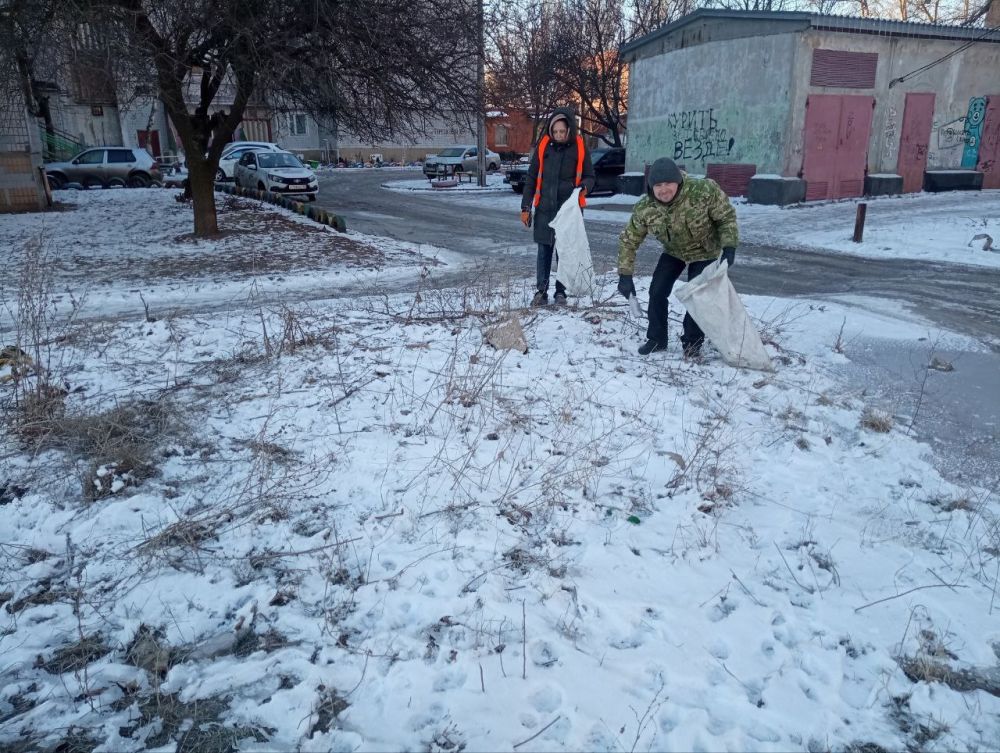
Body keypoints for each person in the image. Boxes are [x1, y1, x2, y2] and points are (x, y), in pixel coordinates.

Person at [616, 157, 739, 357]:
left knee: (697, 296)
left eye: (668, 184)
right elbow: (629, 240)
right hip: (674, 251)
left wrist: (729, 247)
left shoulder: (703, 191)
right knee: (657, 290)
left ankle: (692, 343)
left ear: (678, 182)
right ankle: (657, 339)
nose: (664, 190)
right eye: (658, 185)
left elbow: (726, 217)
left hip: (705, 250)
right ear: (651, 187)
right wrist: (625, 274)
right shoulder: (645, 208)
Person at [520, 108, 595, 306]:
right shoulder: (544, 147)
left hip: (568, 211)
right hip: (544, 208)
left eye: (563, 132)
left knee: (564, 252)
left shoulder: (578, 147)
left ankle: (561, 292)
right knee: (544, 251)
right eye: (556, 132)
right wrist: (525, 207)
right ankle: (541, 292)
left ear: (569, 130)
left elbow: (590, 176)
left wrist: (584, 187)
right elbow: (531, 177)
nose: (559, 135)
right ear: (551, 131)